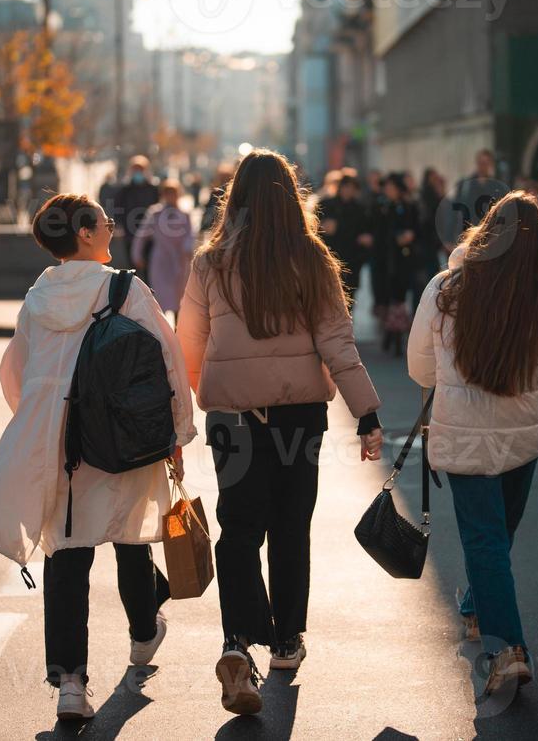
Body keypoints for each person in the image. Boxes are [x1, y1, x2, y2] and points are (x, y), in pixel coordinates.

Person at [176, 149, 384, 717]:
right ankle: (287, 641)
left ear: (236, 197)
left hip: (233, 419)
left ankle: (237, 642)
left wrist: (201, 399)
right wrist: (366, 413)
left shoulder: (211, 262)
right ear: (290, 197)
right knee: (292, 526)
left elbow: (186, 343)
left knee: (239, 528)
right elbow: (337, 343)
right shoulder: (311, 259)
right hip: (298, 417)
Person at [0, 192, 195, 722]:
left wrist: (42, 423)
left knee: (67, 557)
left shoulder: (37, 298)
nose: (111, 226)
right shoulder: (125, 288)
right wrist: (178, 431)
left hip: (61, 443)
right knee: (130, 538)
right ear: (83, 233)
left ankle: (71, 684)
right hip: (123, 436)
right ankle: (144, 635)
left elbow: (16, 373)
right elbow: (169, 358)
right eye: (103, 221)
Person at [408, 191, 538, 703]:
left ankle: (482, 619)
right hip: (523, 434)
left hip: (463, 436)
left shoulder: (447, 288)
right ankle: (506, 646)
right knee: (497, 535)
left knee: (487, 540)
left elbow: (419, 368)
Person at [372, 172, 422, 356]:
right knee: (385, 296)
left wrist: (409, 236)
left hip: (403, 259)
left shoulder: (409, 207)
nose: (389, 191)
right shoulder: (381, 207)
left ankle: (396, 336)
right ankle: (390, 332)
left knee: (400, 297)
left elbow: (419, 228)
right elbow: (378, 233)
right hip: (385, 258)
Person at [133, 178, 195, 320]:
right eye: (167, 193)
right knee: (160, 298)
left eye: (173, 193)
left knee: (179, 298)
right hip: (160, 260)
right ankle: (162, 332)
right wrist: (137, 255)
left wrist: (187, 249)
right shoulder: (155, 213)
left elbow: (190, 235)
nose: (170, 196)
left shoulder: (185, 214)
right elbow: (142, 235)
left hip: (179, 261)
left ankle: (179, 331)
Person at [316, 170, 373, 301]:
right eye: (346, 187)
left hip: (352, 259)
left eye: (352, 188)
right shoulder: (326, 205)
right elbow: (316, 228)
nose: (348, 190)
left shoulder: (360, 209)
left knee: (350, 296)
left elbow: (364, 232)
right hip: (330, 257)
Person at [113, 156, 161, 271]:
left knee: (148, 265)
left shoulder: (153, 188)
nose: (138, 173)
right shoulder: (125, 189)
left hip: (149, 233)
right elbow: (118, 208)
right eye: (135, 170)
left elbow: (158, 207)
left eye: (140, 170)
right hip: (130, 232)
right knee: (132, 265)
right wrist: (119, 225)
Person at [450, 149, 504, 245]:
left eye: (486, 163)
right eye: (481, 163)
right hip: (467, 235)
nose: (483, 166)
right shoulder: (466, 185)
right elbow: (456, 210)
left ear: (490, 164)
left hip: (489, 235)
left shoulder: (497, 186)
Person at [199, 163, 233, 236]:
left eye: (226, 178)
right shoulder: (216, 192)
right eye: (223, 178)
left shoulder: (231, 193)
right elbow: (208, 209)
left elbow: (208, 210)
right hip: (220, 227)